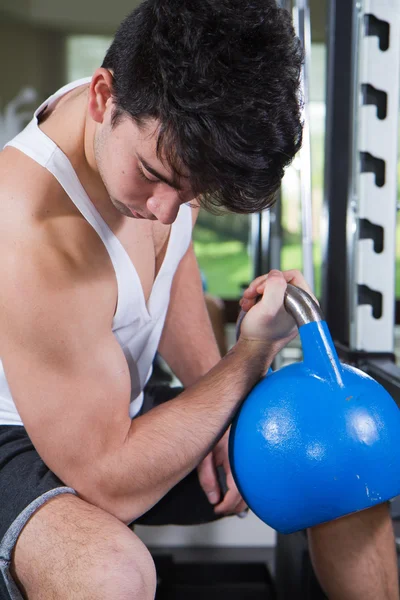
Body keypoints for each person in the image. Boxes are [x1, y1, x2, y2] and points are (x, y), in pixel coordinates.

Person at [0, 1, 398, 599]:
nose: (166, 210)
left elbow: (171, 264)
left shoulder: (148, 125)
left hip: (109, 406)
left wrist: (210, 407)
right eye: (153, 174)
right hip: (15, 437)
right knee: (111, 573)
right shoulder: (29, 227)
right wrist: (250, 355)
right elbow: (109, 478)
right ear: (103, 99)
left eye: (190, 193)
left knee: (335, 454)